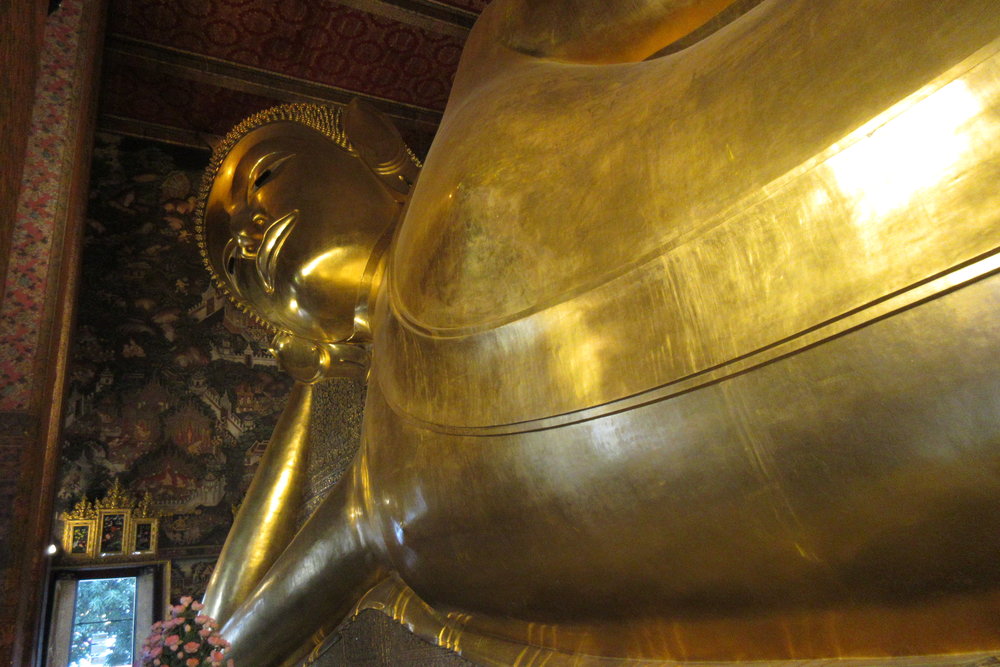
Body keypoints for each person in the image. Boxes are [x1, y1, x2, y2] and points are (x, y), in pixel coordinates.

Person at [199, 0, 1000, 664]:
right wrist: (321, 374)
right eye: (234, 262)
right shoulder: (377, 486)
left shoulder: (491, 73)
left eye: (264, 175)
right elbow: (219, 640)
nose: (248, 228)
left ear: (373, 149)